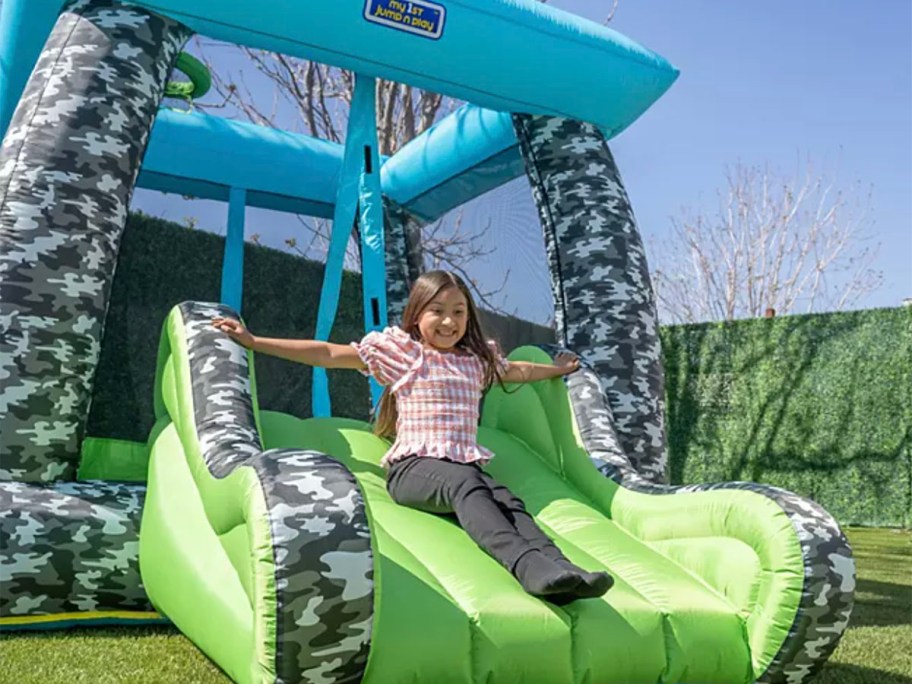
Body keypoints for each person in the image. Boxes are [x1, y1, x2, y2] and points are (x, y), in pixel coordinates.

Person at [212, 270, 613, 603]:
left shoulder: (475, 361)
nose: (449, 321)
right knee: (467, 482)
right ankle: (527, 567)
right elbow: (328, 354)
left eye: (458, 312)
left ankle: (563, 571)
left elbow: (517, 371)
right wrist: (255, 341)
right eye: (437, 311)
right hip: (414, 470)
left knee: (510, 501)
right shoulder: (406, 354)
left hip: (460, 467)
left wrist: (557, 371)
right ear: (417, 314)